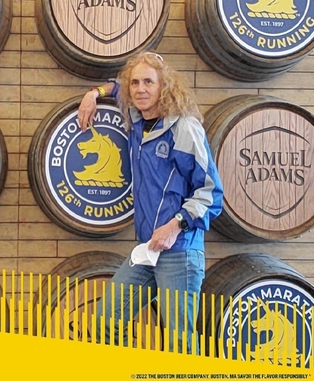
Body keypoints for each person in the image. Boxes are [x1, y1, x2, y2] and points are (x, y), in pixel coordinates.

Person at [77, 51, 223, 353]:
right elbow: (116, 87)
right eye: (135, 83)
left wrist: (175, 225)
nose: (140, 89)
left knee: (180, 344)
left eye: (148, 82)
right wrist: (94, 94)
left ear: (164, 86)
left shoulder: (183, 128)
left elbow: (211, 192)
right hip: (147, 249)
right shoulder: (137, 120)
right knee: (106, 321)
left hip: (180, 252)